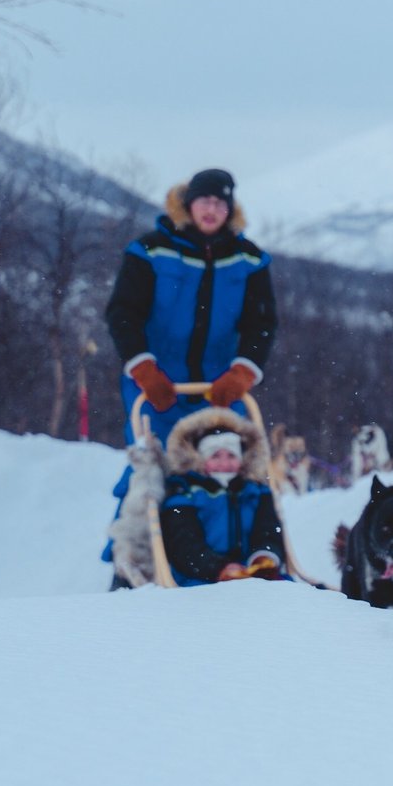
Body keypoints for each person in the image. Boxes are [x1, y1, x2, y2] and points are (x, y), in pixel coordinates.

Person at [102, 168, 277, 578]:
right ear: (187, 203)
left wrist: (243, 371)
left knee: (228, 469)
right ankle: (132, 567)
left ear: (230, 209)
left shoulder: (249, 258)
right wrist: (143, 368)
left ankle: (229, 560)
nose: (212, 209)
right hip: (156, 385)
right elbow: (122, 314)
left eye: (221, 203)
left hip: (220, 388)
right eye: (205, 201)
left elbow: (262, 323)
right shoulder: (150, 250)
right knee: (152, 472)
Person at [159, 408, 287, 586]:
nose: (224, 463)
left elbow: (268, 530)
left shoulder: (256, 492)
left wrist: (264, 556)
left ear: (242, 459)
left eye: (231, 455)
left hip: (253, 574)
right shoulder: (184, 493)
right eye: (216, 456)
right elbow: (184, 545)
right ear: (200, 459)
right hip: (200, 579)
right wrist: (219, 567)